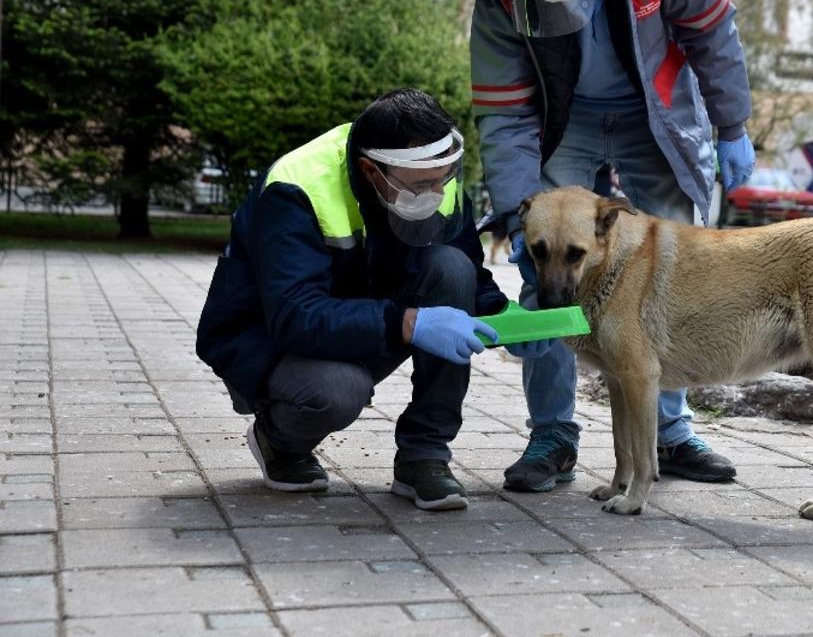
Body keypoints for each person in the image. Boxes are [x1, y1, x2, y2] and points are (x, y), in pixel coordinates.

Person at [463, 0, 757, 492]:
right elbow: (505, 111)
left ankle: (670, 432)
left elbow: (710, 27)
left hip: (656, 114)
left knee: (675, 267)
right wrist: (523, 216)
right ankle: (552, 435)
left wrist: (730, 124)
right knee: (546, 268)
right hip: (560, 123)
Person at [195, 88, 551, 511]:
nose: (437, 192)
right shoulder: (296, 187)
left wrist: (503, 317)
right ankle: (280, 441)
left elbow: (466, 273)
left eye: (444, 178)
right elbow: (294, 317)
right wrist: (410, 322)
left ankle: (425, 456)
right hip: (267, 337)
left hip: (366, 314)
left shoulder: (433, 177)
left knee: (451, 267)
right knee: (339, 390)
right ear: (370, 170)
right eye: (423, 186)